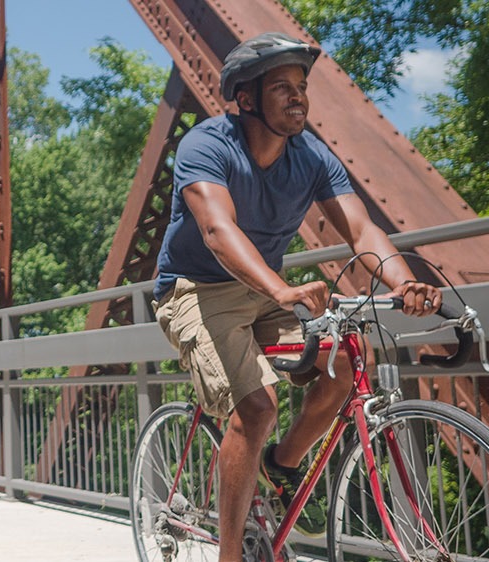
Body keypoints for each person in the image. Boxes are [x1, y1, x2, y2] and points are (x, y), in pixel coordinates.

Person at [150, 32, 442, 561]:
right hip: (196, 289)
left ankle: (281, 463)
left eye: (301, 86)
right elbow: (217, 230)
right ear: (245, 99)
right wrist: (283, 289)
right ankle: (232, 554)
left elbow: (361, 229)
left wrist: (403, 282)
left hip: (265, 291)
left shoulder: (310, 156)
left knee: (345, 360)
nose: (297, 96)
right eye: (281, 86)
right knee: (256, 408)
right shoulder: (207, 145)